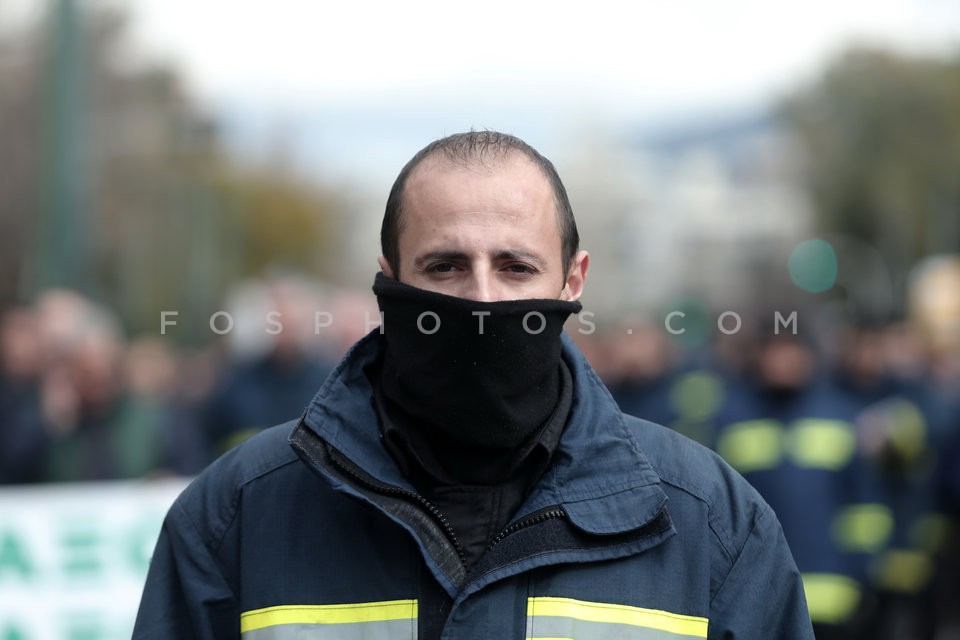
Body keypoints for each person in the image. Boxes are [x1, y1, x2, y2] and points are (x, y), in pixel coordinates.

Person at [133, 130, 813, 639]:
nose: (482, 300)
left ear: (573, 281)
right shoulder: (238, 515)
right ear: (390, 280)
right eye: (445, 266)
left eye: (516, 266)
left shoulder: (712, 524)